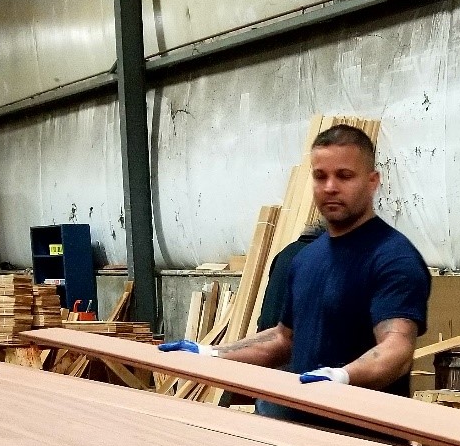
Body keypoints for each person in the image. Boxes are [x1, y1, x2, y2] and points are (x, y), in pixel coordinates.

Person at [160, 124, 429, 414]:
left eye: (344, 176)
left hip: (358, 439)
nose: (330, 187)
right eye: (320, 176)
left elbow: (397, 348)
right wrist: (211, 353)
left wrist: (342, 376)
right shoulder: (304, 259)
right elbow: (282, 339)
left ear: (372, 181)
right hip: (295, 431)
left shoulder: (392, 257)